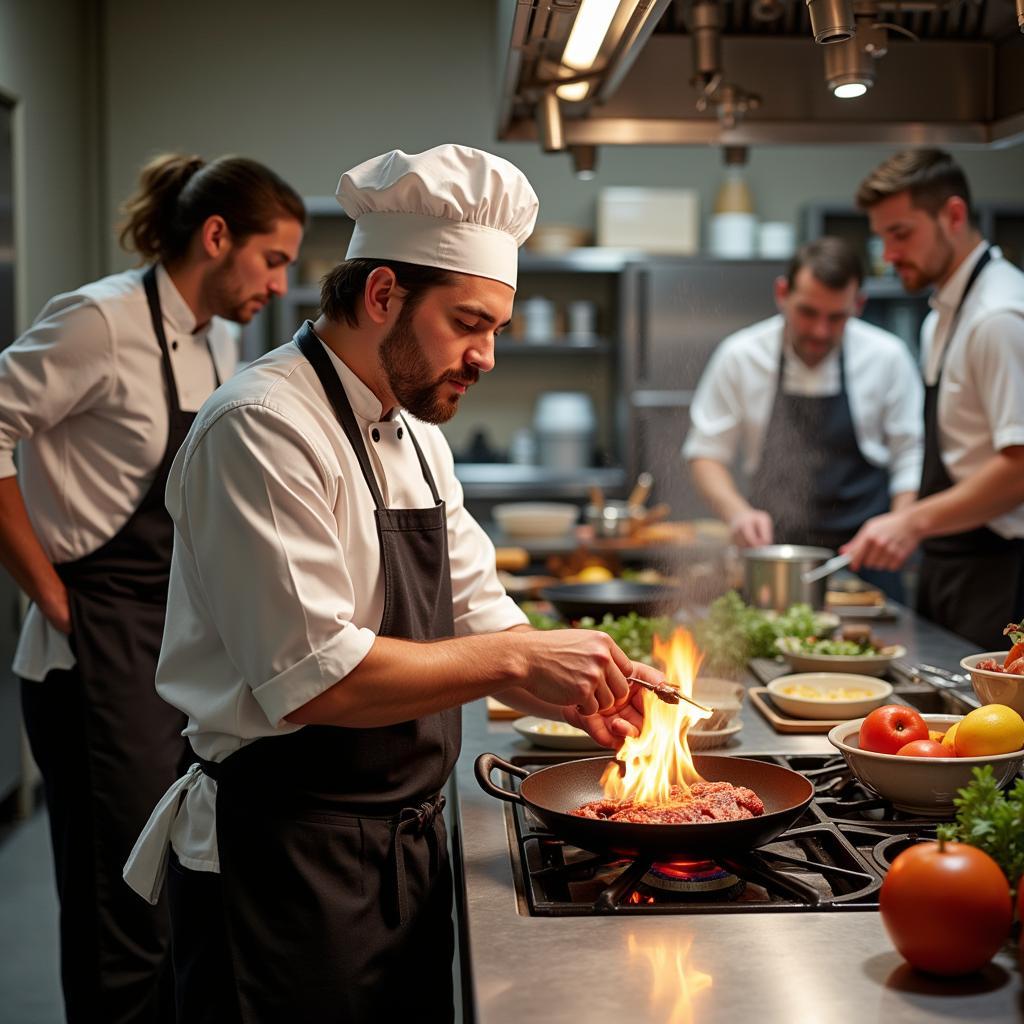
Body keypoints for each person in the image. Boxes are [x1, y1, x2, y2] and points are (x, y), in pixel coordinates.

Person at [123, 144, 660, 1023]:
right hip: (284, 860)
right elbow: (316, 679)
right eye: (468, 323)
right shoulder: (262, 427)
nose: (487, 356)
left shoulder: (416, 437)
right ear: (382, 295)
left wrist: (586, 690)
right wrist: (518, 663)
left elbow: (482, 608)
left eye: (496, 330)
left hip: (401, 848)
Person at [0, 153, 305, 1022]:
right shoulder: (99, 322)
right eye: (272, 258)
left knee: (176, 883)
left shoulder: (223, 342)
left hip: (177, 634)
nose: (281, 282)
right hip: (95, 643)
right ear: (217, 237)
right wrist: (51, 595)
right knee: (119, 912)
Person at [842, 149, 1024, 650]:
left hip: (1002, 571)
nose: (889, 254)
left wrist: (910, 521)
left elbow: (1020, 467)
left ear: (954, 215)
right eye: (881, 237)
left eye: (901, 233)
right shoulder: (940, 316)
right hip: (954, 560)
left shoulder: (999, 316)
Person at [682, 236, 923, 600]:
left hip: (865, 565)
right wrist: (737, 514)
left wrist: (900, 522)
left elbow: (911, 456)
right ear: (782, 293)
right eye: (807, 313)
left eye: (836, 317)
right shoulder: (741, 356)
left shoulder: (887, 358)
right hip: (773, 566)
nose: (819, 332)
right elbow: (705, 454)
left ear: (859, 305)